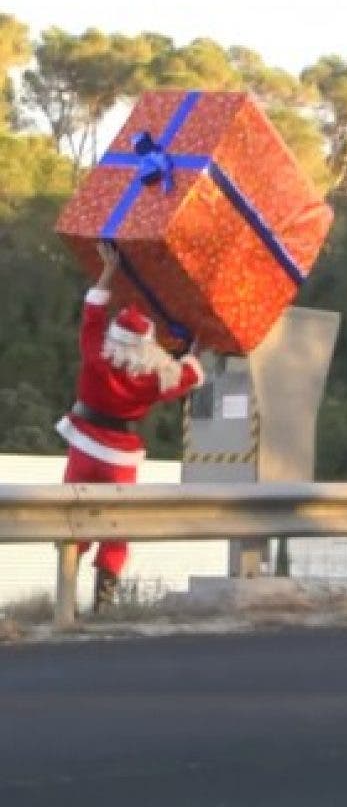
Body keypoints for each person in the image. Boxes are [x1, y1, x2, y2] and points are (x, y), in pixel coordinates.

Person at [56, 241, 207, 612]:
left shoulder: (95, 356)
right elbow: (188, 370)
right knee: (117, 526)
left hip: (83, 444)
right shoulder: (153, 377)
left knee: (73, 520)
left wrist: (109, 270)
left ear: (114, 338)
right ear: (146, 345)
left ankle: (66, 598)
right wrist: (202, 331)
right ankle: (104, 602)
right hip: (120, 456)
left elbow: (92, 310)